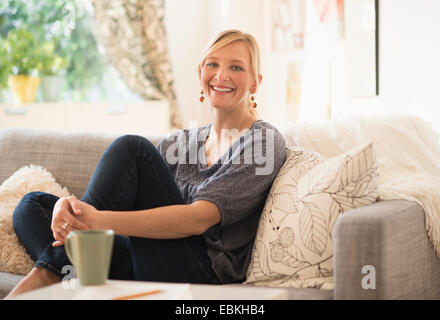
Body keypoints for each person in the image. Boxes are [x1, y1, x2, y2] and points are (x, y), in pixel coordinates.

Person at [6, 29, 286, 298]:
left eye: (236, 67)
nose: (221, 75)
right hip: (144, 261)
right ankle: (84, 282)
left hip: (200, 275)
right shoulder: (180, 143)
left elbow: (200, 219)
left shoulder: (262, 141)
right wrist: (68, 210)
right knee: (31, 207)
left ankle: (51, 275)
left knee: (132, 149)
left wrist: (96, 222)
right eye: (212, 64)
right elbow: (113, 197)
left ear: (254, 82)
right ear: (201, 74)